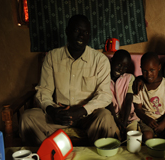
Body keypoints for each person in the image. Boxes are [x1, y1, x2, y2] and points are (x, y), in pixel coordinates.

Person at [20, 14, 118, 146]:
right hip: (59, 116)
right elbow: (44, 90)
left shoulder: (100, 60)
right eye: (77, 30)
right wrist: (51, 110)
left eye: (85, 32)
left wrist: (81, 111)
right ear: (67, 31)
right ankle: (49, 155)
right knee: (27, 118)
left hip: (87, 115)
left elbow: (105, 95)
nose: (81, 35)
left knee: (105, 117)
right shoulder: (53, 57)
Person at [133, 52, 165, 141]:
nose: (148, 74)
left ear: (159, 67)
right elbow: (138, 109)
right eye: (145, 71)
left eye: (152, 70)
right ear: (141, 69)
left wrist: (163, 123)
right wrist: (147, 120)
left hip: (164, 120)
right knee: (147, 136)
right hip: (146, 120)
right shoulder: (139, 85)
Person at [106, 49, 139, 140]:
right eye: (119, 65)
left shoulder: (129, 78)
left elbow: (129, 100)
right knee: (116, 138)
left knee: (132, 139)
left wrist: (124, 122)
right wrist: (116, 121)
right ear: (112, 61)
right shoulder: (105, 79)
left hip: (129, 117)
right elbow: (107, 102)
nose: (121, 69)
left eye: (125, 67)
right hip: (113, 117)